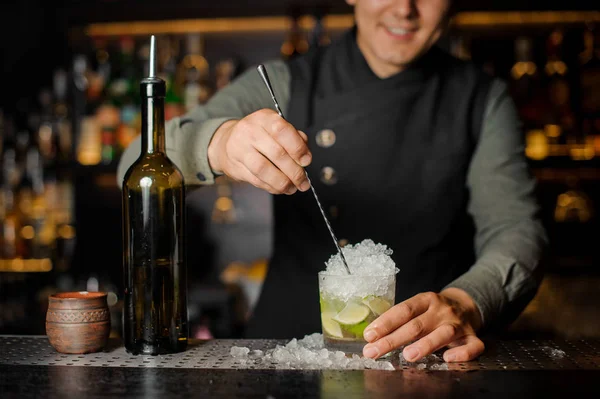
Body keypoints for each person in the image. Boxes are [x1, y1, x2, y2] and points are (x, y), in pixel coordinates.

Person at [117, 0, 547, 363]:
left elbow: (517, 229)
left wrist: (467, 302)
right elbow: (129, 164)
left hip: (423, 359)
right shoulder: (287, 82)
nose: (405, 9)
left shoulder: (483, 100)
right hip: (283, 355)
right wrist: (219, 143)